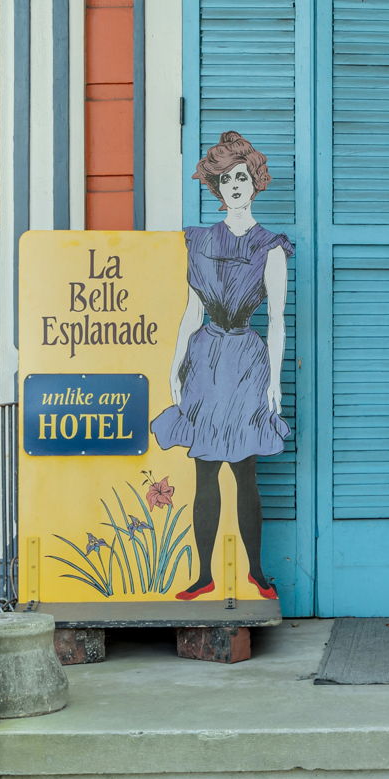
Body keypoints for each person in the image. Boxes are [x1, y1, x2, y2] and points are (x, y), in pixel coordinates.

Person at [150, 131, 291, 600]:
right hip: (206, 360)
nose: (234, 185)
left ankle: (257, 570)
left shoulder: (271, 246)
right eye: (226, 178)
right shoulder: (199, 241)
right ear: (218, 187)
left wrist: (273, 380)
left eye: (242, 176)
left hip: (247, 362)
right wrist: (174, 365)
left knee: (245, 467)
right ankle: (203, 574)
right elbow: (192, 313)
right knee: (205, 468)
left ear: (255, 183)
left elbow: (277, 321)